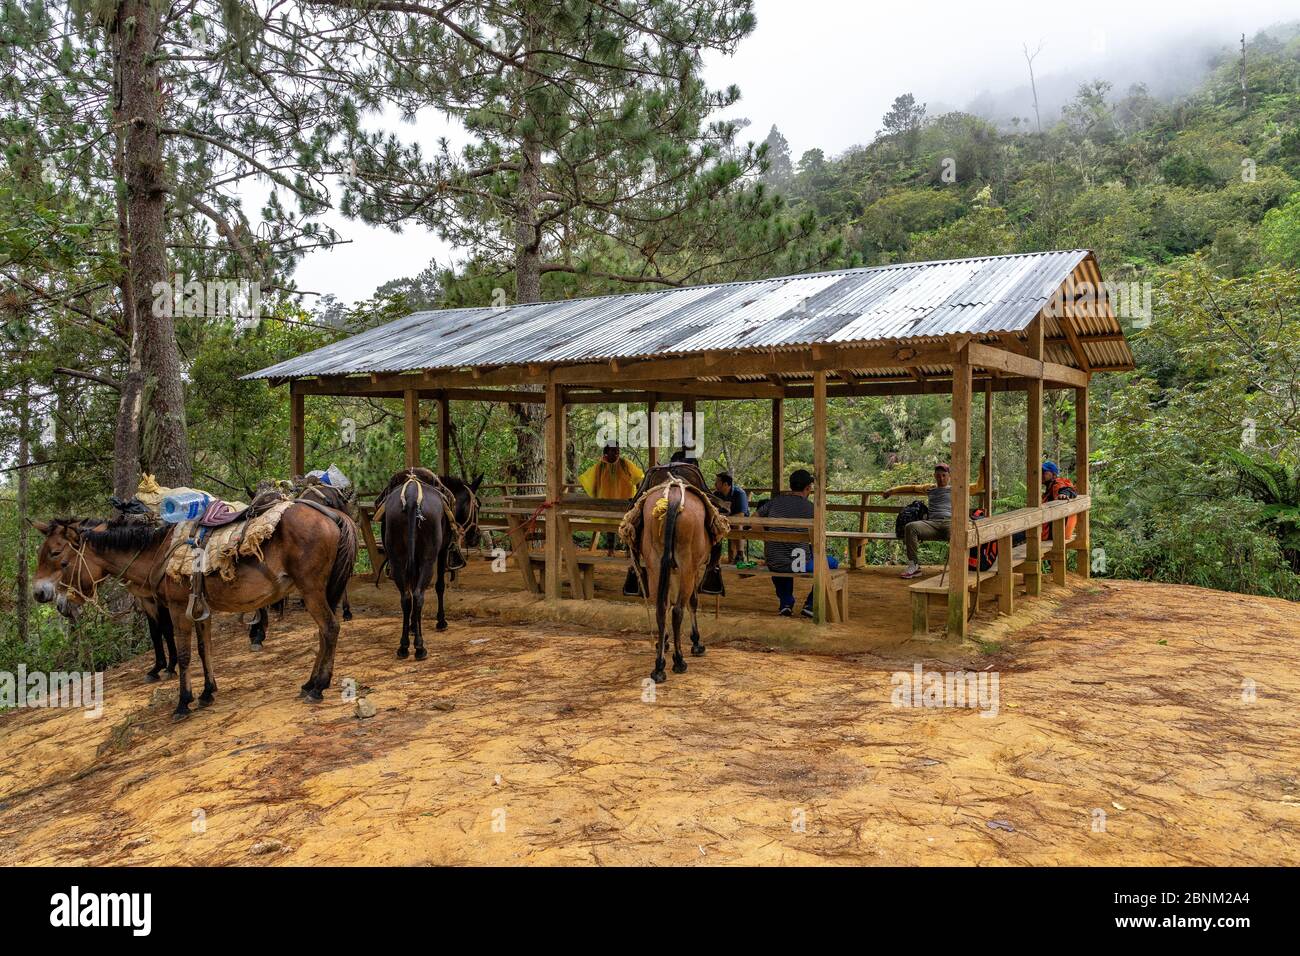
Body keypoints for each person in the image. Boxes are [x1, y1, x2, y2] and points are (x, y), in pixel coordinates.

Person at [756, 469, 838, 617]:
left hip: (774, 561)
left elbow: (754, 519)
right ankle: (811, 605)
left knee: (782, 560)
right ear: (808, 488)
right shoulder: (811, 508)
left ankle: (786, 602)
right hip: (798, 563)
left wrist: (767, 537)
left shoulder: (775, 501)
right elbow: (818, 538)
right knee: (832, 562)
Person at [884, 461, 984, 580]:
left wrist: (982, 464)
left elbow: (979, 486)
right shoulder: (929, 488)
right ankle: (913, 565)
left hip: (949, 523)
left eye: (943, 475)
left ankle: (959, 568)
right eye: (938, 475)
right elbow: (912, 488)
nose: (941, 478)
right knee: (910, 527)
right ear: (934, 476)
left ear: (949, 476)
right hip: (931, 524)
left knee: (957, 534)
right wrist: (891, 490)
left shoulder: (958, 488)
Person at [579, 443, 644, 554]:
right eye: (613, 451)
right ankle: (610, 550)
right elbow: (591, 482)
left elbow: (638, 477)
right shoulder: (600, 466)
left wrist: (636, 496)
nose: (616, 453)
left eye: (617, 451)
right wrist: (595, 496)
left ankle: (629, 551)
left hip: (625, 501)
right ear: (607, 452)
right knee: (610, 527)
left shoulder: (625, 464)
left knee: (627, 525)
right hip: (608, 502)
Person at [713, 472, 750, 563]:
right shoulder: (716, 494)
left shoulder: (739, 493)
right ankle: (713, 554)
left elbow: (741, 515)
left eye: (717, 482)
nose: (715, 484)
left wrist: (723, 517)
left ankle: (740, 554)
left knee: (737, 524)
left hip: (743, 522)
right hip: (723, 521)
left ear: (725, 484)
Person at [1040, 461, 1079, 541]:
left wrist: (1064, 494)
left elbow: (1067, 489)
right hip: (1056, 531)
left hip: (1056, 533)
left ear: (1054, 475)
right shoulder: (1049, 488)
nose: (1041, 474)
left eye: (1044, 472)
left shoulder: (1058, 482)